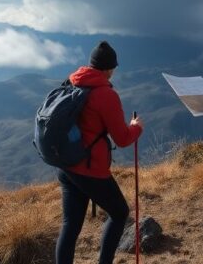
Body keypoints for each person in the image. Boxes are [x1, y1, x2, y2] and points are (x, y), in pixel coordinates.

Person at [56, 40, 144, 264]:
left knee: (70, 225)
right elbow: (123, 139)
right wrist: (136, 127)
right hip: (90, 169)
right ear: (109, 68)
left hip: (67, 165)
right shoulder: (105, 95)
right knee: (119, 213)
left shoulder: (72, 82)